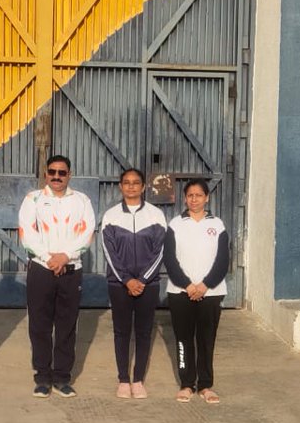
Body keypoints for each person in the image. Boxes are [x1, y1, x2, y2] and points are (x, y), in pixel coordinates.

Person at [18, 155, 96, 398]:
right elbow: (27, 233)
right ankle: (42, 377)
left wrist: (65, 257)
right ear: (45, 174)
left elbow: (87, 232)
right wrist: (49, 258)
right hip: (41, 268)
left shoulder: (81, 200)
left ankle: (62, 377)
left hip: (71, 269)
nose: (57, 176)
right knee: (39, 325)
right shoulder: (33, 199)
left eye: (62, 172)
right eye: (52, 172)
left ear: (69, 174)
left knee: (66, 325)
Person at [101, 168, 167, 399]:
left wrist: (143, 279)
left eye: (136, 183)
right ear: (120, 186)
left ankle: (138, 380)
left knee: (143, 332)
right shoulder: (110, 216)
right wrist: (127, 280)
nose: (131, 186)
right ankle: (123, 379)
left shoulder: (156, 215)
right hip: (119, 285)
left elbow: (160, 252)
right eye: (126, 183)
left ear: (143, 187)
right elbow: (109, 252)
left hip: (148, 286)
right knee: (121, 332)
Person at [163, 177, 229, 404]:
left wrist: (204, 286)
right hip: (180, 292)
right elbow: (170, 260)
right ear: (185, 198)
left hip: (210, 293)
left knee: (206, 340)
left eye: (198, 195)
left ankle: (206, 385)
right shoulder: (175, 225)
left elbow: (222, 262)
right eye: (190, 195)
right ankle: (186, 383)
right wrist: (188, 286)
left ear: (207, 197)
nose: (194, 199)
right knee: (183, 340)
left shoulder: (217, 225)